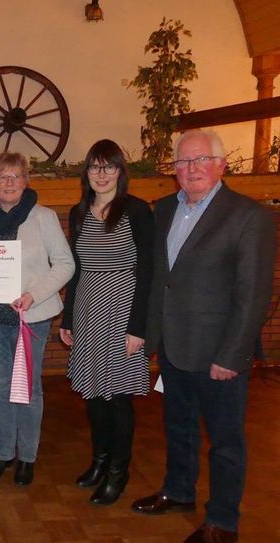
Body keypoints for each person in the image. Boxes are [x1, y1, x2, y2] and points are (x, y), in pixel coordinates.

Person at [130, 129, 276, 543]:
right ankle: (178, 491)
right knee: (179, 428)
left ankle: (223, 521)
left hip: (219, 353)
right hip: (174, 346)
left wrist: (233, 355)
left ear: (221, 164)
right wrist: (150, 334)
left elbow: (254, 293)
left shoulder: (248, 217)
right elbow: (161, 279)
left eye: (199, 160)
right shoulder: (164, 212)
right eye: (182, 162)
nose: (190, 169)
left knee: (225, 441)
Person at [0, 151, 74, 486]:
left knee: (29, 387)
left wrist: (33, 294)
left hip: (31, 317)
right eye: (2, 177)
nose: (9, 183)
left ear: (26, 181)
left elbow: (65, 263)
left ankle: (27, 456)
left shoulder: (44, 217)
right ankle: (3, 453)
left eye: (16, 176)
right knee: (0, 385)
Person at [59, 139, 154, 505]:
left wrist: (138, 327)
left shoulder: (136, 211)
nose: (101, 174)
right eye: (95, 167)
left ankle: (119, 471)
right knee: (93, 393)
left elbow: (147, 270)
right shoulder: (78, 212)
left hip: (122, 308)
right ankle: (99, 461)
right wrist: (68, 317)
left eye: (109, 166)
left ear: (120, 171)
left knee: (118, 397)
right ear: (87, 172)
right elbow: (76, 268)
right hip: (86, 308)